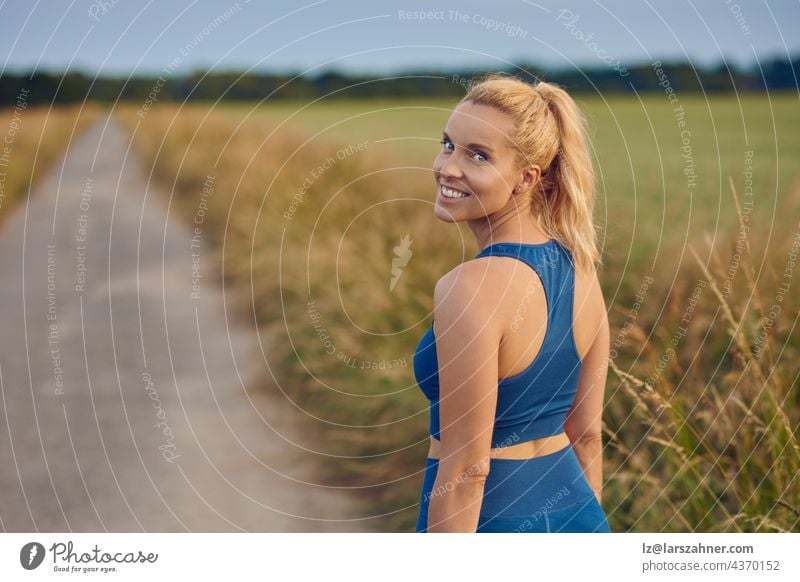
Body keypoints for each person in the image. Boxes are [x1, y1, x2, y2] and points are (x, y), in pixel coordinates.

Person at [413, 72, 611, 533]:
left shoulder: (471, 286)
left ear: (526, 178)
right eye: (448, 144)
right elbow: (586, 435)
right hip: (580, 518)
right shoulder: (581, 268)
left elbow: (468, 469)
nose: (448, 167)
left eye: (478, 155)